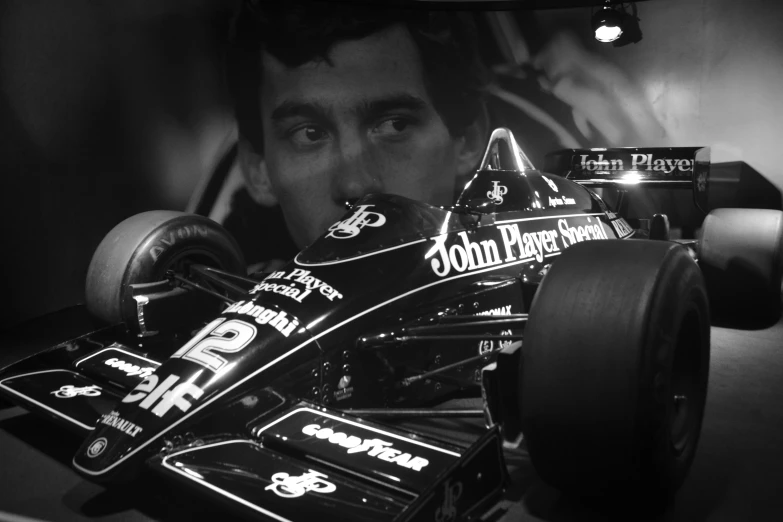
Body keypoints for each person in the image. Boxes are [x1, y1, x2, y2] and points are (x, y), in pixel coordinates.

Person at [222, 0, 491, 266]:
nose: (356, 186)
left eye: (395, 125)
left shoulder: (531, 297)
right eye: (310, 134)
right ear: (258, 169)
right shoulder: (206, 302)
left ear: (468, 140)